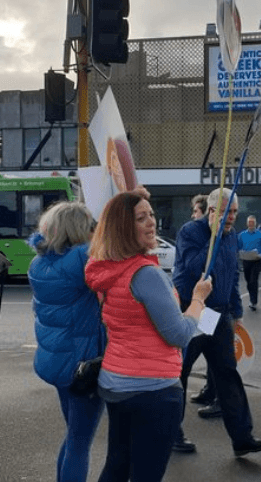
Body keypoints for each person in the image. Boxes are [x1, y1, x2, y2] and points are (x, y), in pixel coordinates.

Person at [84, 188, 213, 481]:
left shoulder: (104, 266)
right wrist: (198, 300)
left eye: (151, 215)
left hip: (116, 383)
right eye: (140, 218)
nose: (151, 222)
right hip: (154, 390)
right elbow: (179, 335)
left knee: (117, 464)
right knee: (147, 473)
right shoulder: (146, 274)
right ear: (124, 227)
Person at [171, 187, 261, 457]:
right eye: (228, 213)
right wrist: (213, 238)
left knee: (228, 374)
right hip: (194, 310)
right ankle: (171, 432)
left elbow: (232, 272)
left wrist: (236, 311)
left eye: (236, 213)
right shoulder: (190, 232)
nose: (232, 219)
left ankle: (242, 437)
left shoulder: (232, 237)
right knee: (178, 373)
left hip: (219, 315)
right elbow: (193, 268)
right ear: (212, 210)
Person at [28, 201, 106, 482]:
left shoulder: (39, 262)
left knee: (74, 434)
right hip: (82, 364)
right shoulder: (82, 259)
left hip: (58, 362)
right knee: (80, 440)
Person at [187, 194, 218, 411]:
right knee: (212, 355)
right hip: (201, 306)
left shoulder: (214, 238)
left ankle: (216, 397)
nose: (193, 216)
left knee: (190, 355)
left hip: (208, 308)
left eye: (196, 212)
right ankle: (211, 392)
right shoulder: (192, 234)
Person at [237, 215, 261, 312]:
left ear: (255, 223)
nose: (251, 224)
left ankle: (253, 301)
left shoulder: (260, 235)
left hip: (256, 260)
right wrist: (240, 252)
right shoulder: (242, 235)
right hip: (246, 260)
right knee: (248, 281)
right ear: (247, 223)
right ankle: (251, 296)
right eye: (249, 222)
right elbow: (238, 246)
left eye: (253, 222)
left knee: (253, 280)